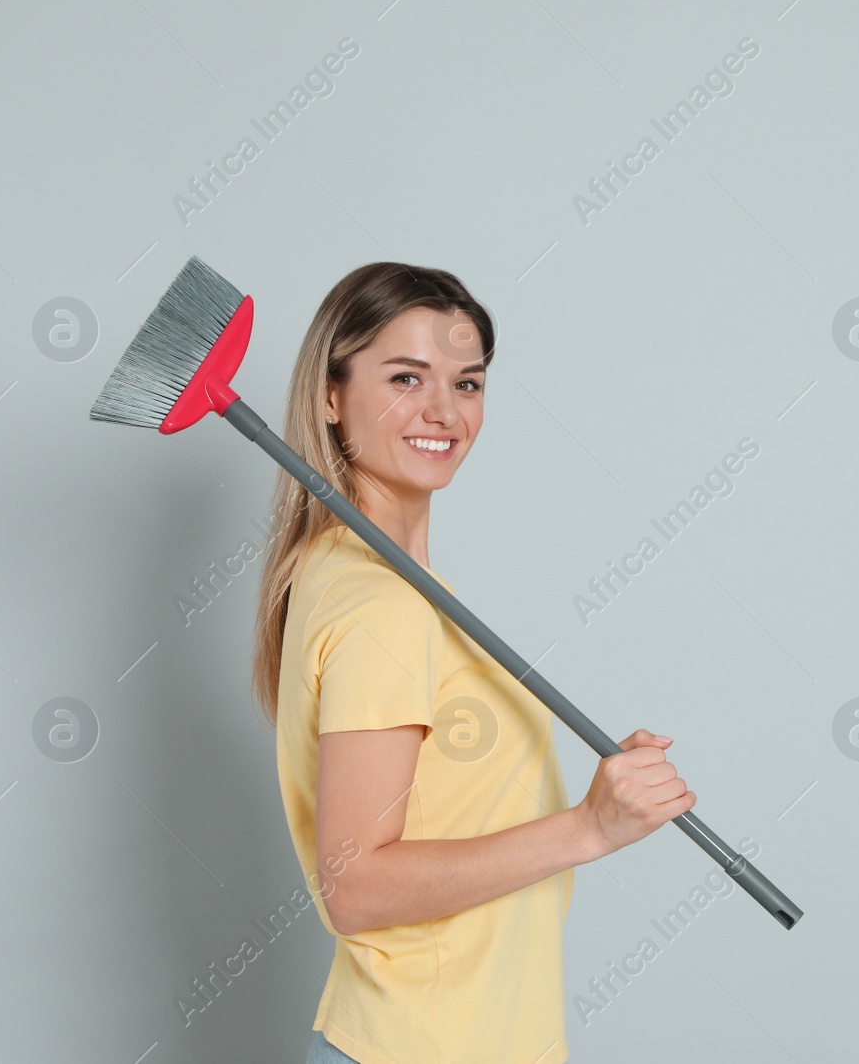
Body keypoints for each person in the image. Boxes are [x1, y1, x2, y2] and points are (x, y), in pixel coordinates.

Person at [247, 262, 696, 1064]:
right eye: (405, 377)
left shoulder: (360, 574)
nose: (442, 412)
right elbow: (356, 886)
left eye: (468, 382)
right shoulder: (382, 605)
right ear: (330, 393)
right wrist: (589, 828)